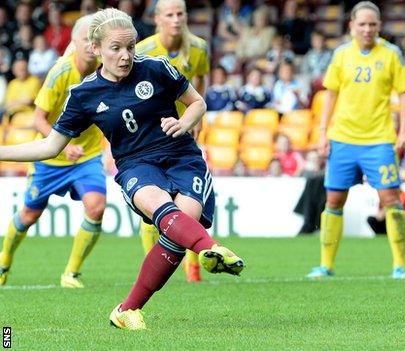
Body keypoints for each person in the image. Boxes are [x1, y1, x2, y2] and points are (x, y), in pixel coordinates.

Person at [0, 8, 244, 330]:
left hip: (182, 156)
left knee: (177, 231)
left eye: (130, 47)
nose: (126, 56)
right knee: (166, 213)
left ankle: (127, 310)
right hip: (136, 164)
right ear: (96, 49)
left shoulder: (157, 69)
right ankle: (210, 248)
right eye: (116, 48)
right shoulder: (84, 94)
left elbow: (197, 102)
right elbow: (49, 146)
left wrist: (184, 122)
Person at [306, 2, 405, 280]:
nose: (367, 29)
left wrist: (404, 131)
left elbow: (404, 94)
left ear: (379, 27)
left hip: (379, 140)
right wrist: (322, 133)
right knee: (334, 200)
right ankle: (326, 265)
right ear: (351, 26)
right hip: (343, 138)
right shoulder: (341, 54)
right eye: (362, 24)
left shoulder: (391, 54)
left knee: (391, 199)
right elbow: (330, 94)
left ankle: (400, 266)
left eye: (373, 24)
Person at [0, 15, 105, 289]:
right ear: (74, 42)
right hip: (50, 157)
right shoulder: (60, 72)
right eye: (86, 40)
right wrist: (64, 144)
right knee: (29, 215)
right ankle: (4, 259)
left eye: (96, 41)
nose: (92, 46)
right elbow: (38, 119)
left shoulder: (106, 70)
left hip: (87, 154)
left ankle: (71, 273)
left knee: (96, 207)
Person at [135, 0, 211, 283]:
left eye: (181, 14)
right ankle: (152, 263)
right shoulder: (143, 51)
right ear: (158, 19)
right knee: (152, 201)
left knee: (190, 201)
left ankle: (193, 268)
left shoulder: (199, 48)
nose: (176, 19)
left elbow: (201, 83)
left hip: (185, 134)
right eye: (170, 14)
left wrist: (196, 121)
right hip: (151, 136)